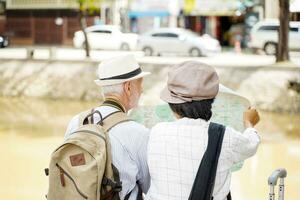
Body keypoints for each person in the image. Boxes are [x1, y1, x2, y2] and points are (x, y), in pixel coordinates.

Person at [145, 61, 260, 200]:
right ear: (211, 102)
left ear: (173, 105)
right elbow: (252, 144)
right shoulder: (225, 136)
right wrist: (249, 123)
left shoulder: (156, 132)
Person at [65, 55, 151, 200]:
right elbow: (148, 184)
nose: (142, 90)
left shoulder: (77, 121)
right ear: (128, 87)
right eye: (140, 84)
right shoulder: (137, 132)